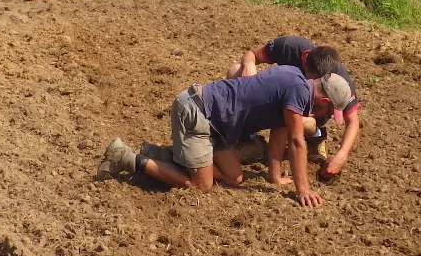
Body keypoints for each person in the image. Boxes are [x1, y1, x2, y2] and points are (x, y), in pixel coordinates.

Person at [98, 67, 354, 208]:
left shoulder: (295, 79)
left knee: (235, 177)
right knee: (202, 185)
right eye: (328, 110)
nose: (325, 116)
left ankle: (159, 156)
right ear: (321, 99)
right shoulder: (298, 91)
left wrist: (275, 177)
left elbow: (280, 134)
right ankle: (128, 158)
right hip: (198, 112)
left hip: (215, 125)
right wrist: (303, 190)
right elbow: (297, 142)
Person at [226, 36, 360, 182]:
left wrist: (341, 155)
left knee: (289, 118)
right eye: (314, 81)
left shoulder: (340, 82)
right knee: (235, 71)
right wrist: (248, 65)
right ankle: (249, 138)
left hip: (313, 110)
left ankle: (316, 136)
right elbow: (251, 54)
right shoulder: (288, 47)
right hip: (285, 98)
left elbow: (353, 121)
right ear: (305, 65)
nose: (316, 85)